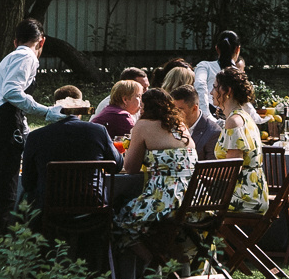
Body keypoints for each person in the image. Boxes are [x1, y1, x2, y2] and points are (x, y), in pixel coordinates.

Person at [0, 18, 68, 236]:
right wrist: (46, 111)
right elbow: (11, 92)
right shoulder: (26, 56)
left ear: (14, 40)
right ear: (41, 42)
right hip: (3, 129)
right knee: (5, 198)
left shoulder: (10, 57)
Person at [112, 87, 198, 257]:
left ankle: (152, 268)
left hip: (166, 202)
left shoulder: (143, 126)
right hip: (194, 202)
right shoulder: (180, 126)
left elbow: (130, 168)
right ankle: (179, 267)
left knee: (120, 221)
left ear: (146, 108)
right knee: (157, 228)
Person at [20, 84, 121, 211]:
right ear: (81, 108)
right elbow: (117, 165)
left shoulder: (36, 137)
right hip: (92, 207)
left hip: (51, 210)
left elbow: (28, 183)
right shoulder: (98, 131)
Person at [211, 70, 271, 214]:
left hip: (243, 197)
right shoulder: (245, 117)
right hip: (255, 193)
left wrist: (199, 173)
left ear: (228, 91)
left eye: (214, 87)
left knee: (194, 214)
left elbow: (233, 169)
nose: (211, 92)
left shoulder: (233, 122)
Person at [172, 85, 222, 160]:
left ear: (194, 108)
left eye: (180, 110)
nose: (175, 113)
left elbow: (211, 167)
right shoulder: (170, 126)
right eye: (173, 109)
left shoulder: (213, 132)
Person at [194, 31, 241, 108]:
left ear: (217, 48)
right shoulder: (237, 74)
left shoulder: (204, 66)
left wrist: (206, 113)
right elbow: (244, 100)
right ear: (237, 49)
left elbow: (199, 84)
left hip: (210, 113)